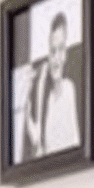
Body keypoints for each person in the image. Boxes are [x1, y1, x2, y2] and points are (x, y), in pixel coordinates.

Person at [22, 11, 80, 159]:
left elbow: (75, 144)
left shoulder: (69, 89)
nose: (56, 59)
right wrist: (36, 143)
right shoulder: (46, 101)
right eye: (52, 51)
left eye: (60, 49)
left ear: (66, 53)